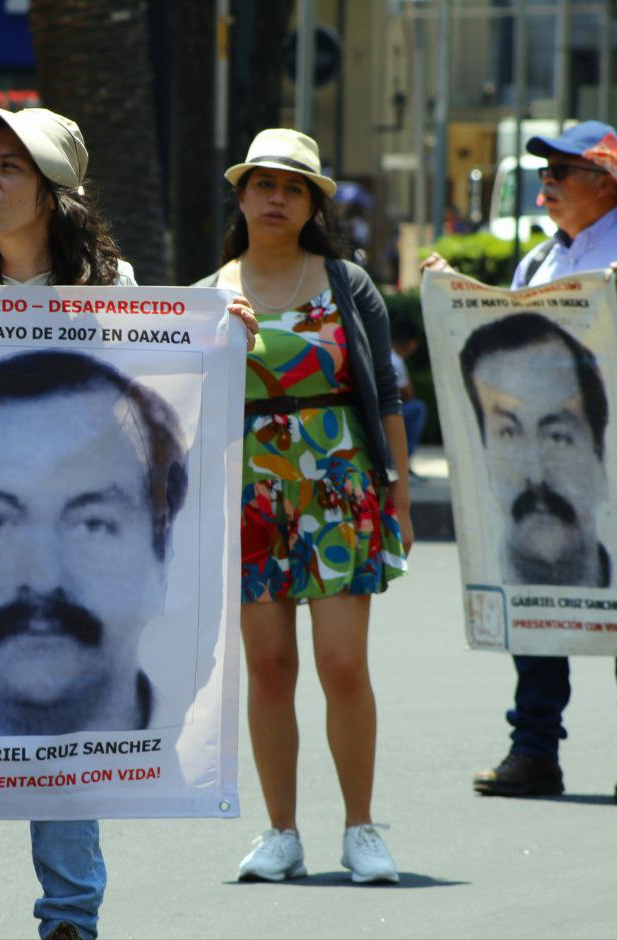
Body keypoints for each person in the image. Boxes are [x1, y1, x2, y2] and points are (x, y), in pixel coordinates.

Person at [0, 102, 257, 940]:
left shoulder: (115, 292)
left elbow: (163, 413)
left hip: (78, 586)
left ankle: (70, 923)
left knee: (71, 756)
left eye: (7, 168)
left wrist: (220, 348)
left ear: (52, 189)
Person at [193, 128, 412, 884]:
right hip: (253, 494)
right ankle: (281, 832)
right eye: (263, 183)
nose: (275, 197)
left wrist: (400, 497)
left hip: (339, 486)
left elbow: (385, 396)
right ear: (242, 194)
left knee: (343, 664)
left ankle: (362, 829)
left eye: (292, 187)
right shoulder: (210, 292)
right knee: (271, 667)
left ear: (313, 202)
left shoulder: (348, 282)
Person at [423, 120, 617, 803]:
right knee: (537, 590)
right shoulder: (538, 263)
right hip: (548, 455)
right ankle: (534, 748)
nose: (546, 181)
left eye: (560, 171)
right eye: (544, 170)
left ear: (605, 184)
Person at [0, 348, 187, 736]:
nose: (42, 578)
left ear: (162, 554)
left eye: (93, 525)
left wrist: (227, 347)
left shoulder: (190, 776)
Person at [460, 311, 610, 588]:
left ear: (600, 454)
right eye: (508, 433)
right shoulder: (530, 268)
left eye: (557, 438)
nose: (535, 474)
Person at [390, 319, 427, 463]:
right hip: (386, 412)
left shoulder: (381, 353)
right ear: (412, 343)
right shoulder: (396, 361)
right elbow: (408, 394)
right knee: (418, 407)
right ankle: (404, 460)